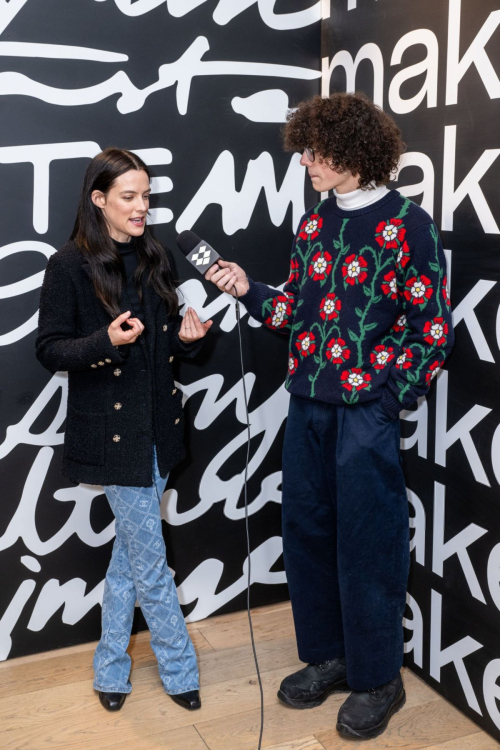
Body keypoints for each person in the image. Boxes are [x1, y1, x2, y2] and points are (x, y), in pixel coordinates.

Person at [206, 92, 454, 740]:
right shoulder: (316, 221)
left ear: (352, 148)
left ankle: (378, 679)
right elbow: (296, 308)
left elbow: (432, 330)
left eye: (315, 152)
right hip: (307, 403)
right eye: (304, 152)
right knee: (308, 534)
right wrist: (249, 291)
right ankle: (331, 659)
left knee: (368, 545)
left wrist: (387, 397)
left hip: (363, 414)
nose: (307, 163)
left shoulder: (408, 224)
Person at [36, 148, 212, 713]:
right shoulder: (69, 265)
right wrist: (105, 342)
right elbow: (49, 349)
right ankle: (180, 669)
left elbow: (169, 350)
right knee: (152, 563)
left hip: (160, 428)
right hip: (113, 436)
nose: (143, 208)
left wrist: (188, 338)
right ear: (99, 199)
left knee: (131, 557)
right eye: (129, 197)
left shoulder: (156, 256)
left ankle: (111, 668)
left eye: (146, 196)